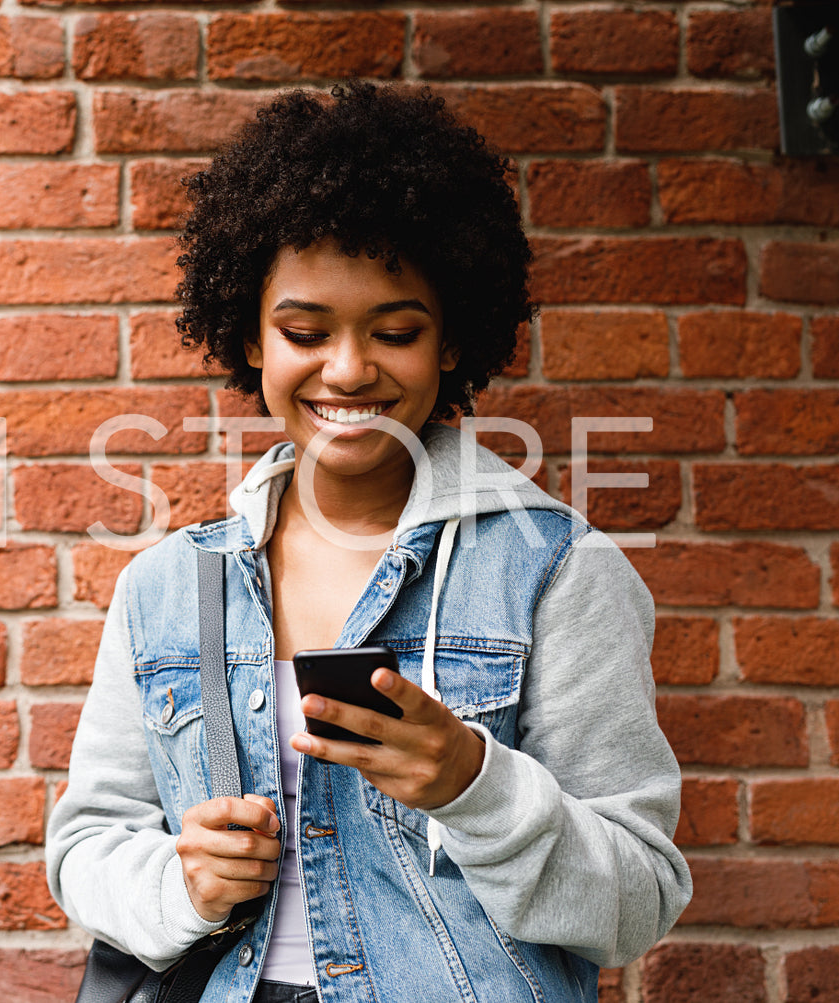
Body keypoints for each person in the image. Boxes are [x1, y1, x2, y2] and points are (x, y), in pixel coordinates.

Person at [45, 83, 692, 1003]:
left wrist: (476, 783)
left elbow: (639, 898)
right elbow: (84, 848)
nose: (347, 369)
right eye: (304, 331)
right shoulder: (169, 584)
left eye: (394, 331)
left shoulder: (558, 574)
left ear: (452, 339)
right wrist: (181, 880)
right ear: (249, 338)